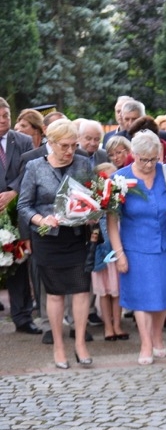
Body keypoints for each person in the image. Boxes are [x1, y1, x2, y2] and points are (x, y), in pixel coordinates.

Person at [107, 131, 166, 365]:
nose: (148, 164)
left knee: (163, 296)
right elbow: (112, 220)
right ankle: (145, 343)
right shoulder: (119, 179)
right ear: (133, 155)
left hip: (164, 245)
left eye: (153, 159)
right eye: (143, 159)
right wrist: (119, 253)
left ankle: (157, 336)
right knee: (141, 298)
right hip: (134, 248)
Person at [18, 120, 94, 368]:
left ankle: (80, 343)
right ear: (50, 143)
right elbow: (24, 206)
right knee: (55, 294)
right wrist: (42, 219)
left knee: (82, 291)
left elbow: (93, 197)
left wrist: (92, 211)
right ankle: (59, 347)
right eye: (64, 146)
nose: (70, 151)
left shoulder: (83, 163)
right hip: (48, 239)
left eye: (73, 145)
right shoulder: (34, 167)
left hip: (76, 237)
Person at [1, 98, 44, 335]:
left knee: (17, 264)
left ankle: (23, 317)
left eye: (5, 116)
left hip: (18, 211)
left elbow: (31, 170)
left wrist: (13, 192)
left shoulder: (25, 141)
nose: (2, 121)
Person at [91, 162, 128, 342]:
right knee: (104, 292)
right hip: (101, 251)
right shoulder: (93, 201)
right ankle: (108, 326)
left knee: (118, 290)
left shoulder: (121, 200)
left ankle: (117, 324)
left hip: (118, 250)